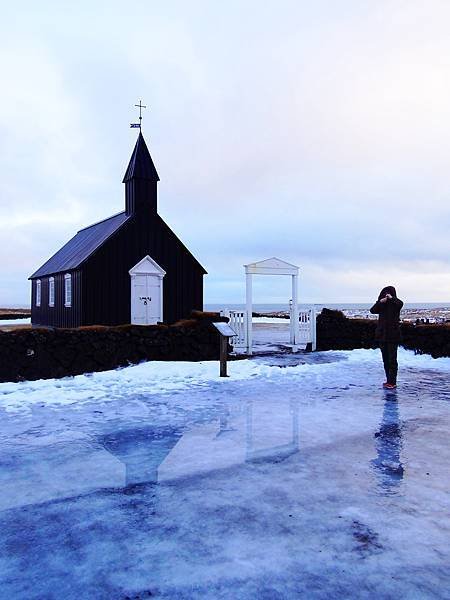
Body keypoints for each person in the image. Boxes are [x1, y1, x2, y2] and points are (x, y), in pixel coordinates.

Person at [370, 286, 404, 389]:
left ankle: (392, 382)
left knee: (392, 359)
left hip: (393, 336)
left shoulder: (395, 304)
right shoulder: (381, 305)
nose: (386, 295)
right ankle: (388, 380)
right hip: (382, 336)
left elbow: (400, 304)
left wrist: (391, 298)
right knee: (385, 359)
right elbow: (372, 310)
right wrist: (380, 302)